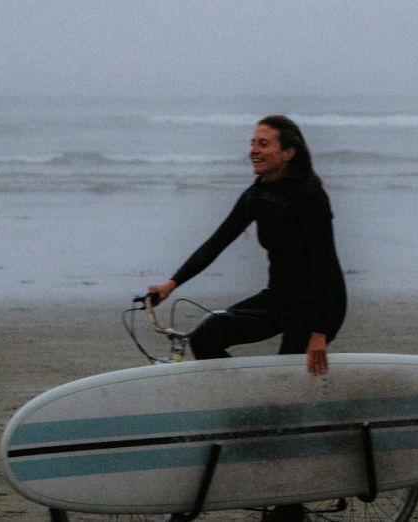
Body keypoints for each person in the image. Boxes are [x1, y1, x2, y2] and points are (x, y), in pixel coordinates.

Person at [148, 115, 346, 380]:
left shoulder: (309, 195)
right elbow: (217, 242)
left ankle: (275, 407)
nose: (253, 150)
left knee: (285, 377)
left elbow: (326, 266)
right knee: (205, 338)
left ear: (288, 152)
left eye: (263, 144)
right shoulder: (258, 194)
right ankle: (246, 395)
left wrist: (319, 333)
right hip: (278, 298)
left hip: (318, 306)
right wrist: (171, 285)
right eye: (252, 143)